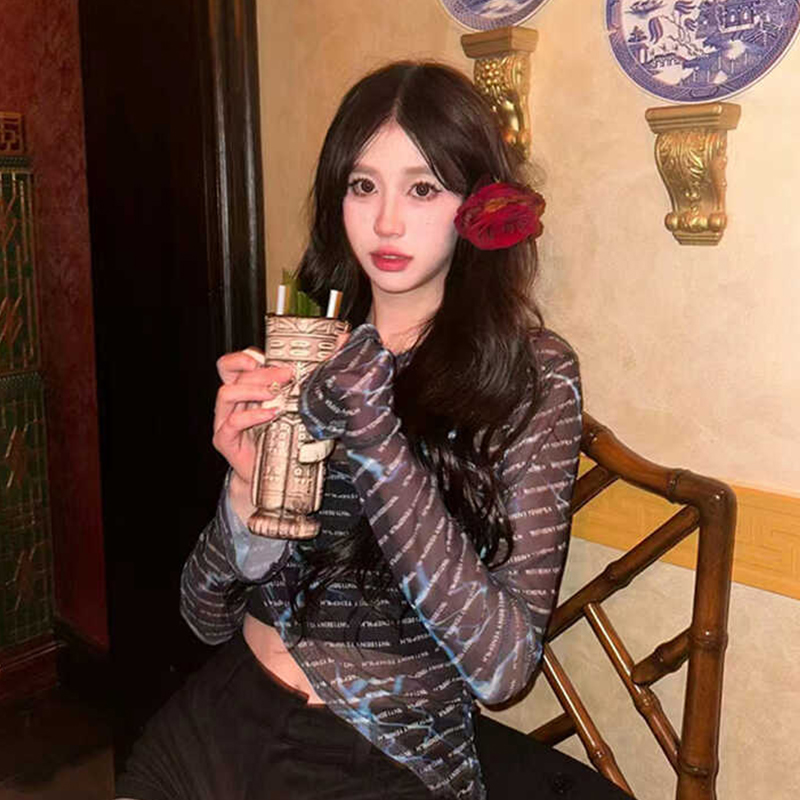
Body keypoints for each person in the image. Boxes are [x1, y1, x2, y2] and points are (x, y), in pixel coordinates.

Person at [116, 62, 631, 800]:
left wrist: (374, 432)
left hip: (384, 748)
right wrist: (243, 497)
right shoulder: (308, 347)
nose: (387, 221)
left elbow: (503, 669)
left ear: (476, 203)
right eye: (363, 186)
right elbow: (201, 615)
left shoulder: (533, 374)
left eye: (422, 189)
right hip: (221, 718)